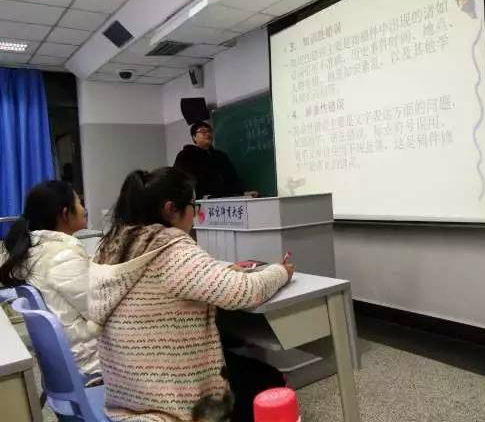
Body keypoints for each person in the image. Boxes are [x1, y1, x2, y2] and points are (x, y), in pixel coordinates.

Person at [89, 167, 294, 422]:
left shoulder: (111, 248)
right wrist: (281, 271)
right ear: (170, 209)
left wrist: (219, 271)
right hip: (171, 404)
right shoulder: (170, 249)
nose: (195, 215)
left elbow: (169, 282)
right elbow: (246, 291)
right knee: (269, 380)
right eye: (193, 206)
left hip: (128, 394)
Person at [0, 181, 100, 378]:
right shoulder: (63, 254)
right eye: (79, 203)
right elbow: (97, 310)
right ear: (65, 213)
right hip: (91, 360)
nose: (84, 209)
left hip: (66, 359)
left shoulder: (33, 250)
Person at [174, 121, 258, 199]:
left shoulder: (221, 156)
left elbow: (232, 178)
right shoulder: (185, 156)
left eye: (209, 131)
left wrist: (243, 192)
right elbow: (180, 181)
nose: (208, 134)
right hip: (202, 202)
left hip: (226, 200)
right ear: (194, 137)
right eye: (203, 132)